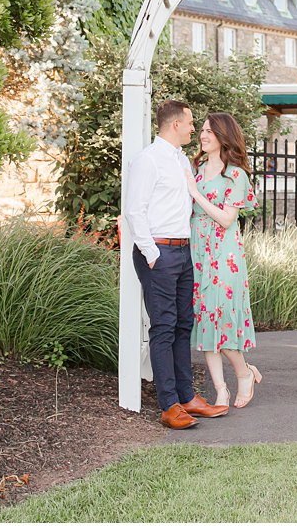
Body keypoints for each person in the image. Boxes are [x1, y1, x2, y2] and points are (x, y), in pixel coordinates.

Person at [124, 99, 229, 429]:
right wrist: (152, 254)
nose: (193, 128)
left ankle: (187, 397)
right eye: (189, 123)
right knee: (164, 327)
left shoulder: (182, 160)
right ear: (174, 125)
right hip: (159, 253)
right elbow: (134, 211)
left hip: (183, 253)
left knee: (184, 325)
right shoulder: (148, 160)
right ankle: (169, 404)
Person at [189, 112, 264, 409]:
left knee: (223, 318)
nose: (203, 135)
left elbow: (226, 218)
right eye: (202, 131)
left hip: (224, 254)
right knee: (205, 319)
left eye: (209, 131)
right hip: (197, 251)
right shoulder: (196, 168)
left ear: (223, 136)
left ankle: (244, 373)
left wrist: (195, 193)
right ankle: (220, 390)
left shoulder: (235, 175)